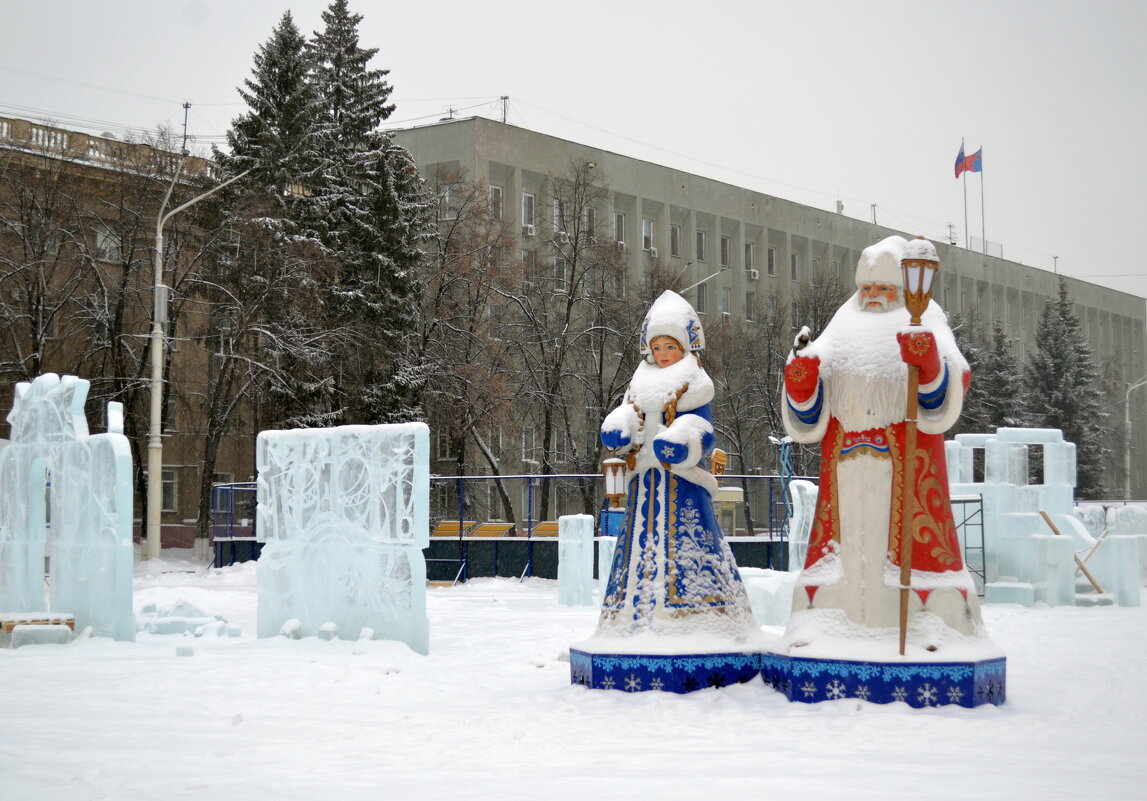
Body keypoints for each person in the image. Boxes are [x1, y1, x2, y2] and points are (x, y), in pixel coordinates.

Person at [781, 236, 984, 645]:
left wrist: (927, 364)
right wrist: (801, 382)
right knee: (842, 549)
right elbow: (811, 403)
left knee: (910, 544)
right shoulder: (841, 326)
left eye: (883, 288)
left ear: (900, 288)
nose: (873, 295)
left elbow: (951, 382)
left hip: (905, 462)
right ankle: (829, 623)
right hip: (844, 466)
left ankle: (924, 623)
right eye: (867, 288)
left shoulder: (923, 320)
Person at [594, 290, 757, 641]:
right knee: (634, 548)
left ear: (685, 346)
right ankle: (629, 620)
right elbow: (628, 418)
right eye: (657, 348)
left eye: (670, 347)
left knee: (692, 543)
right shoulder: (639, 386)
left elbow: (703, 430)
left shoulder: (693, 384)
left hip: (681, 485)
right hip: (642, 483)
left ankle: (697, 617)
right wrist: (619, 432)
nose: (663, 355)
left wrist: (684, 443)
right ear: (648, 349)